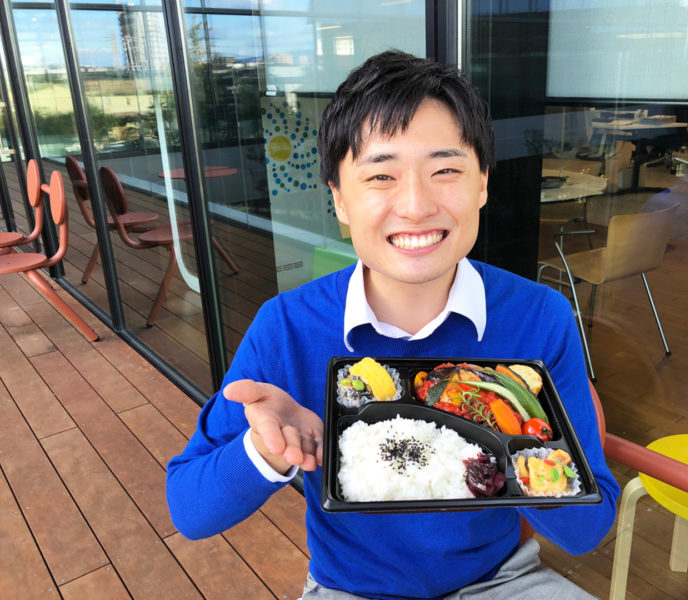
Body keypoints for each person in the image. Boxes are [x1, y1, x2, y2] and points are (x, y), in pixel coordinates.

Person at [166, 50, 620, 600]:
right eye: (381, 175)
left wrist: (516, 439)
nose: (415, 205)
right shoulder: (286, 326)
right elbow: (188, 509)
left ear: (482, 184)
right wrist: (264, 453)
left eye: (445, 170)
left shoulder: (539, 317)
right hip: (349, 588)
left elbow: (588, 531)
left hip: (503, 581)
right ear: (339, 199)